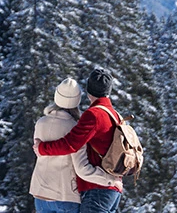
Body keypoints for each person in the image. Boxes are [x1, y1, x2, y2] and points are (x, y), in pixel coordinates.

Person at [35, 68, 123, 213]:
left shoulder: (93, 115)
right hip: (111, 190)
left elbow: (70, 144)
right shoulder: (115, 115)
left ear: (88, 91)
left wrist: (41, 149)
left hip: (97, 189)